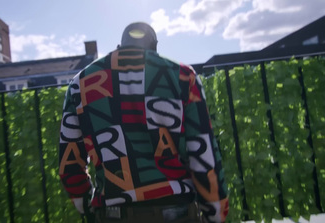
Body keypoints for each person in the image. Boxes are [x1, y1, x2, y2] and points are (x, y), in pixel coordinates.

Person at [59, 22, 229, 223]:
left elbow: (69, 163)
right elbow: (203, 154)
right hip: (176, 211)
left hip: (113, 214)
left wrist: (88, 206)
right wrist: (215, 214)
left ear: (120, 46)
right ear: (155, 47)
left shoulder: (80, 84)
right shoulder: (183, 76)